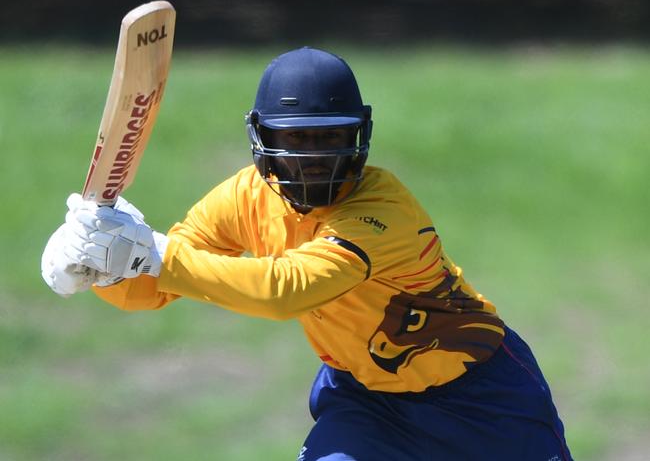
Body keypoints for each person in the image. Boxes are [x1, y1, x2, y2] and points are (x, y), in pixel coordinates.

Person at [42, 47, 572, 460]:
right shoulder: (243, 200)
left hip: (483, 399)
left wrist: (152, 251)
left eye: (329, 139)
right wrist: (100, 270)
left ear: (359, 137)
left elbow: (285, 291)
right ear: (261, 137)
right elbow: (152, 289)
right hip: (369, 406)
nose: (314, 159)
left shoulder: (383, 209)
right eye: (296, 140)